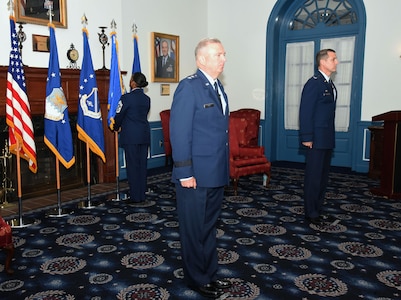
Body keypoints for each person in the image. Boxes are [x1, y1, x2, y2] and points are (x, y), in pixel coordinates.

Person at [169, 38, 231, 298]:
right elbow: (179, 134)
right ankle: (197, 279)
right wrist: (185, 172)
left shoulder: (218, 88)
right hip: (194, 176)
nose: (223, 59)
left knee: (208, 228)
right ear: (201, 59)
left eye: (224, 54)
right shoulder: (189, 87)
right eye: (218, 54)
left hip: (215, 172)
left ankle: (210, 274)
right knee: (194, 230)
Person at [299, 48, 338, 225]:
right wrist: (307, 136)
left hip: (326, 137)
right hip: (315, 138)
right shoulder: (314, 83)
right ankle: (311, 213)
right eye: (333, 59)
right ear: (323, 62)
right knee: (313, 177)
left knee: (322, 178)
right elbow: (306, 112)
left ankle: (318, 209)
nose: (336, 62)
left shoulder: (328, 83)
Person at [114, 72, 150, 202]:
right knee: (142, 166)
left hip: (131, 137)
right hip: (144, 135)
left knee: (133, 166)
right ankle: (142, 195)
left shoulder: (126, 98)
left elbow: (119, 115)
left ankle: (135, 197)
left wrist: (115, 126)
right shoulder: (147, 99)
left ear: (133, 82)